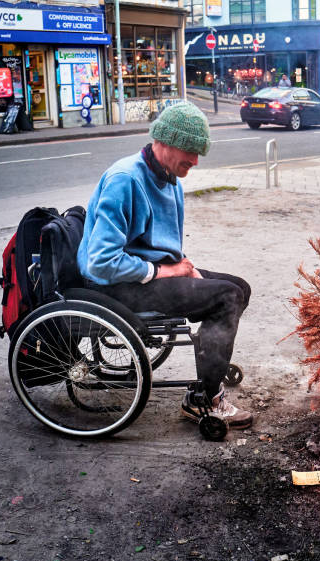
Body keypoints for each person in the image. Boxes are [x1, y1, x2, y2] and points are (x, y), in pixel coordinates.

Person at [77, 102, 254, 430]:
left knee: (239, 287)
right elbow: (100, 262)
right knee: (226, 298)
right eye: (190, 151)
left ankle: (209, 364)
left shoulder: (170, 178)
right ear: (165, 141)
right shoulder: (125, 180)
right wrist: (166, 272)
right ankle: (205, 398)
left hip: (148, 274)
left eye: (199, 153)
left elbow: (165, 247)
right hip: (116, 286)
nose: (195, 161)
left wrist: (188, 269)